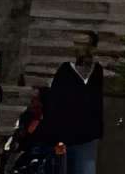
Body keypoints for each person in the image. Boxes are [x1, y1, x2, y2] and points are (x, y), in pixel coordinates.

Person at [44, 35, 103, 174]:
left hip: (85, 133)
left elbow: (96, 103)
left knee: (84, 166)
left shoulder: (96, 71)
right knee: (67, 167)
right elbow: (54, 102)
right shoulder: (66, 70)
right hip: (67, 133)